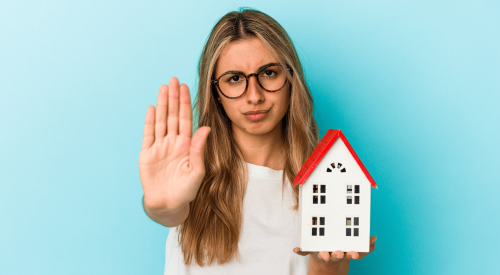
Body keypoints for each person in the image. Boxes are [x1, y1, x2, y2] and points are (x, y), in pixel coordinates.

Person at [139, 9, 376, 275]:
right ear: (216, 91)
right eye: (235, 79)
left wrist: (324, 266)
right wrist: (160, 206)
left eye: (269, 73)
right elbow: (170, 211)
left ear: (291, 80)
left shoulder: (326, 186)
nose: (254, 96)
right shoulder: (191, 174)